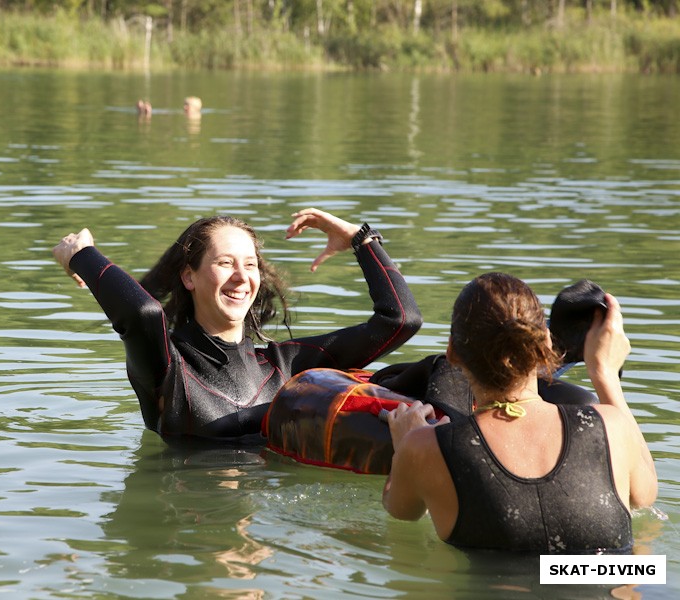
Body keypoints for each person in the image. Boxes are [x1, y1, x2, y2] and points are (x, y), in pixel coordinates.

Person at [52, 208, 422, 443]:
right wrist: (80, 254)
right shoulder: (168, 367)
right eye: (225, 263)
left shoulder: (286, 365)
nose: (241, 278)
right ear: (188, 277)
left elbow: (400, 320)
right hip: (188, 523)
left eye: (250, 265)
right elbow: (143, 313)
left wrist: (362, 239)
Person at [382, 272, 657, 554]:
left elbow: (402, 512)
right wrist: (605, 374)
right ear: (547, 345)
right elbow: (645, 497)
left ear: (452, 353)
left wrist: (405, 445)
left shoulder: (424, 447)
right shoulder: (611, 425)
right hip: (619, 588)